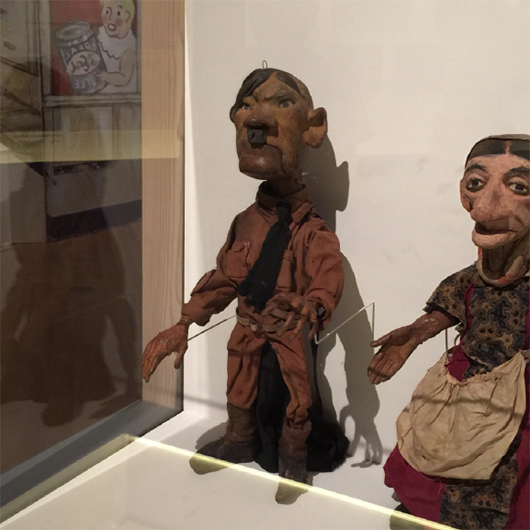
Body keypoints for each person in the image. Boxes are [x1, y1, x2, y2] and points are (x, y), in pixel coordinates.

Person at [142, 68, 344, 486]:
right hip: (246, 328)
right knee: (239, 386)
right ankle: (239, 440)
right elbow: (224, 278)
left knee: (298, 399)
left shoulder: (313, 232)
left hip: (288, 334)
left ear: (313, 127)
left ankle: (293, 459)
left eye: (282, 102)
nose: (256, 120)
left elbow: (327, 278)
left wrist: (311, 306)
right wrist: (184, 322)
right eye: (246, 106)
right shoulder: (245, 222)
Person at [368, 135, 530, 529]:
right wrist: (414, 334)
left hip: (519, 394)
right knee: (437, 446)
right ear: (463, 193)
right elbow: (449, 307)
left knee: (505, 468)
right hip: (462, 383)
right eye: (476, 183)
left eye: (518, 187)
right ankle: (428, 511)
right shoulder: (470, 279)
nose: (486, 207)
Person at [96, 0, 137, 93]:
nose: (110, 17)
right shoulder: (102, 35)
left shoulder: (128, 50)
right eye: (107, 12)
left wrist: (106, 77)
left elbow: (124, 79)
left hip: (120, 96)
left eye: (118, 13)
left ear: (128, 18)